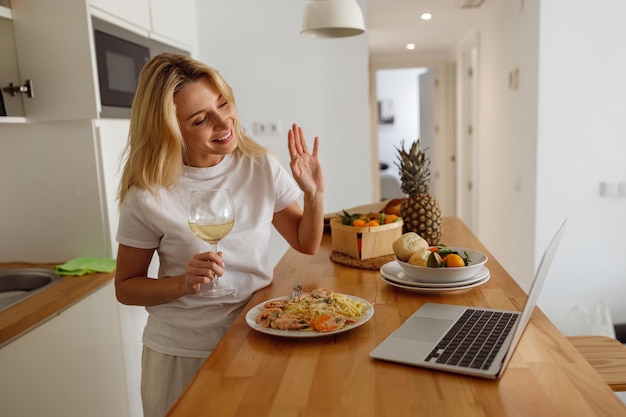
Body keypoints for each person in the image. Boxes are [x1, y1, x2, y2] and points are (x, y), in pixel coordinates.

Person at [114, 53, 325, 417]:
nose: (223, 121)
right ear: (171, 129)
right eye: (201, 119)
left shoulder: (259, 166)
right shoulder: (149, 194)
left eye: (223, 103)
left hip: (255, 338)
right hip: (182, 352)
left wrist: (314, 194)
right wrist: (183, 284)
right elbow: (126, 287)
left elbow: (306, 242)